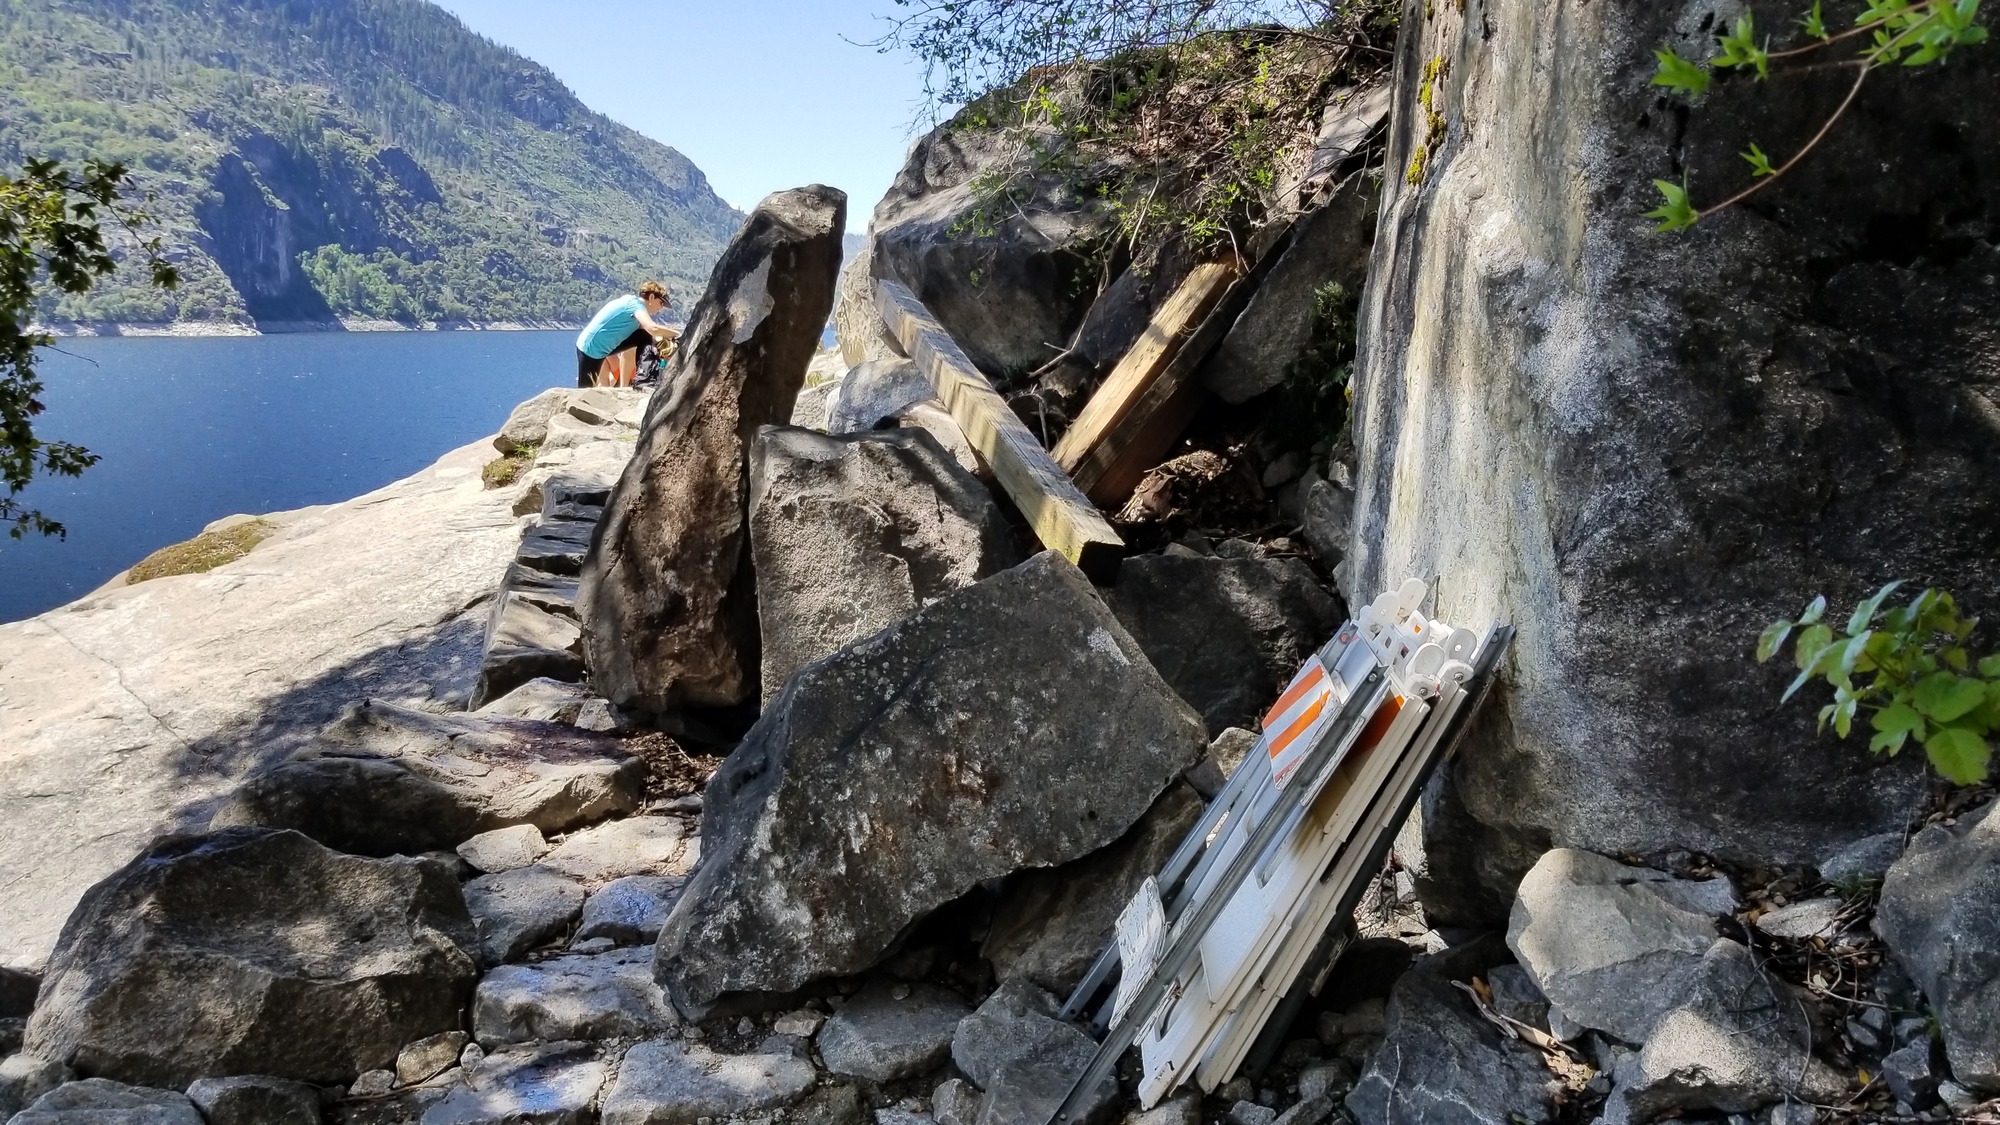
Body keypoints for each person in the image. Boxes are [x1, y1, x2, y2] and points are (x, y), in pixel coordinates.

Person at [575, 281, 679, 388]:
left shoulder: (631, 302)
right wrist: (679, 334)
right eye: (662, 303)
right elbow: (653, 328)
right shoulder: (636, 307)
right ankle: (642, 379)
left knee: (644, 336)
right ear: (652, 297)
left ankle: (644, 377)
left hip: (601, 348)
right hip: (590, 350)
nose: (662, 308)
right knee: (584, 389)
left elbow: (648, 331)